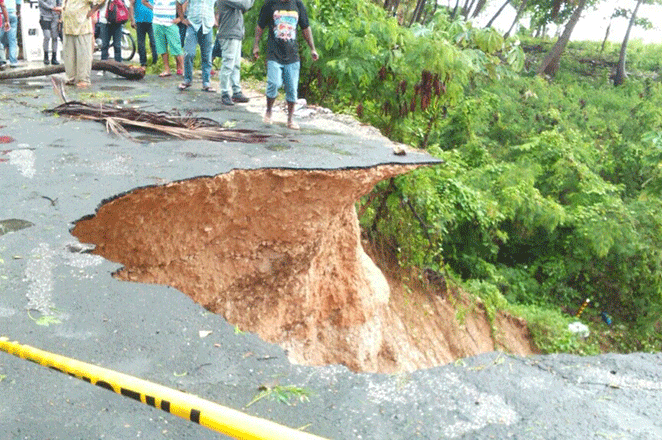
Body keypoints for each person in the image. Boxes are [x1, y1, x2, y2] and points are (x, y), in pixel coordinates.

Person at [252, 0, 317, 130]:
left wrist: (312, 49)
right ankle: (269, 111)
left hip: (292, 55)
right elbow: (260, 26)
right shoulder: (270, 4)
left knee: (292, 89)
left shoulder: (298, 5)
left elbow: (305, 28)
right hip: (273, 53)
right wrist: (256, 45)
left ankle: (290, 119)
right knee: (274, 83)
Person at [215, 0, 252, 105]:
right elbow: (245, 5)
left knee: (236, 64)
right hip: (229, 33)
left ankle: (236, 91)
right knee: (228, 64)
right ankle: (225, 93)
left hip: (236, 33)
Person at [62, 0, 103, 87]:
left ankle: (83, 79)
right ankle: (71, 78)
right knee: (69, 56)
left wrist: (91, 12)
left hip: (82, 27)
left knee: (83, 55)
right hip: (68, 27)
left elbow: (101, 1)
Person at [176, 0, 214, 91]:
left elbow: (222, 4)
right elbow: (178, 2)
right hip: (192, 25)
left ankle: (206, 83)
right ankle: (187, 80)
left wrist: (216, 18)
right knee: (189, 53)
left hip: (207, 25)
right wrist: (182, 19)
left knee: (207, 56)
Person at [146, 0, 184, 76]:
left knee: (176, 47)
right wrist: (153, 8)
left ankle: (184, 69)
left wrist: (180, 18)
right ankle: (167, 69)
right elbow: (144, 1)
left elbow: (184, 2)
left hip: (171, 23)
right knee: (161, 47)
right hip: (157, 22)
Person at [131, 0, 156, 66]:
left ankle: (155, 61)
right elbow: (131, 5)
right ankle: (143, 62)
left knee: (153, 41)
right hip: (139, 21)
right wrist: (132, 20)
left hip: (152, 21)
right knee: (141, 43)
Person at [39, 0, 63, 65]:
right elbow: (41, 2)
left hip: (55, 16)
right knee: (47, 36)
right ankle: (46, 56)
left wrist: (60, 10)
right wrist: (51, 7)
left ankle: (54, 57)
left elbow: (60, 2)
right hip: (45, 16)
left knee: (55, 37)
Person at [0, 0, 18, 67]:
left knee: (1, 40)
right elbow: (18, 3)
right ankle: (13, 62)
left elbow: (3, 5)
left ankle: (2, 60)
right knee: (12, 40)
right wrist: (17, 13)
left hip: (2, 14)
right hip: (12, 13)